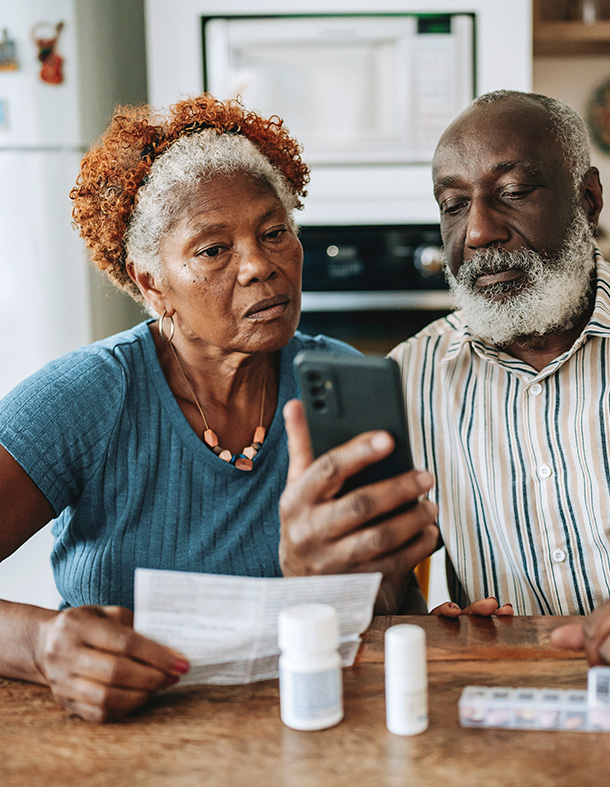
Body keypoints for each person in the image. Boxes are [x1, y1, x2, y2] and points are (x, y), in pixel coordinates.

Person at [280, 89, 610, 697]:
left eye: (515, 192)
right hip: (523, 725)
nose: (476, 230)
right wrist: (372, 593)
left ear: (589, 199)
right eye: (452, 204)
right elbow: (384, 596)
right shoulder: (414, 377)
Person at [0, 95, 438, 723]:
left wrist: (345, 584)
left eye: (274, 232)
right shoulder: (86, 396)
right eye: (213, 250)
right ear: (152, 284)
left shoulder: (341, 385)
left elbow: (398, 605)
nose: (261, 266)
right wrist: (41, 646)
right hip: (129, 747)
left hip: (314, 730)